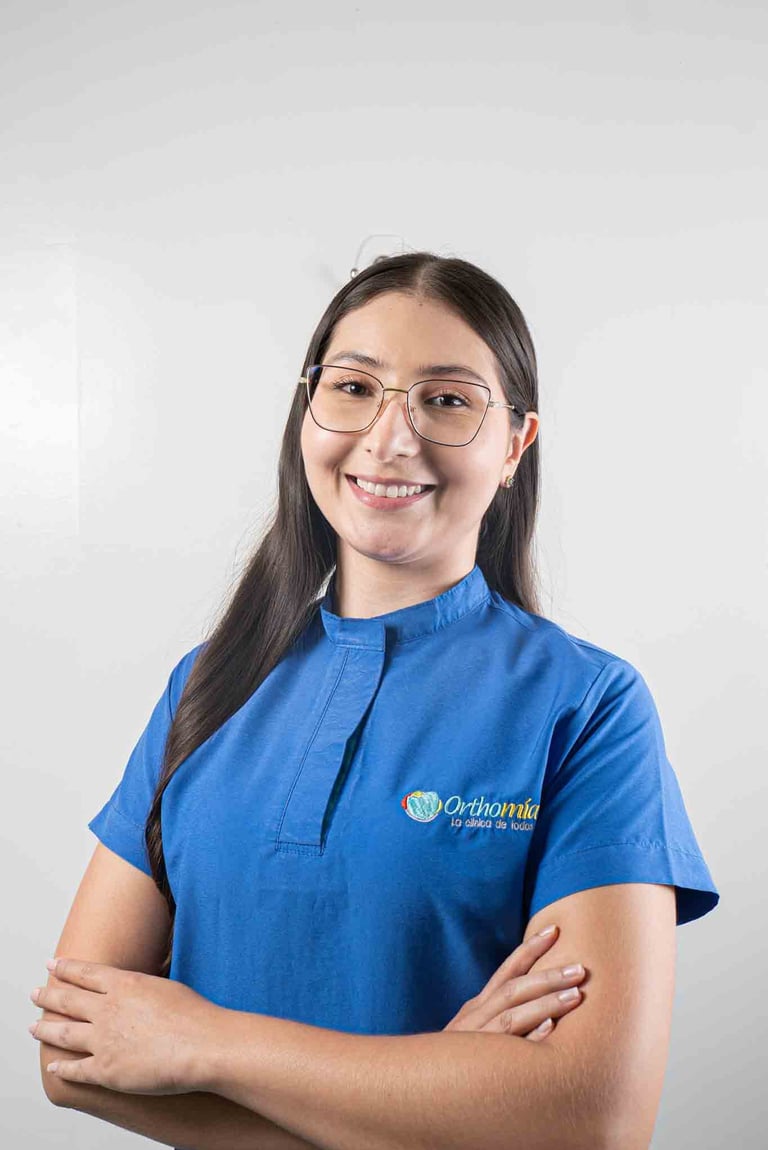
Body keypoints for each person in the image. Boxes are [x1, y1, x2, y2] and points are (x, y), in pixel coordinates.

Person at [32, 251, 719, 1149]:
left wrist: (204, 1042)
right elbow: (72, 1051)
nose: (390, 439)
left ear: (515, 445)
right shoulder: (206, 686)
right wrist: (437, 1092)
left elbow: (593, 1117)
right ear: (307, 411)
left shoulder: (587, 706)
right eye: (354, 388)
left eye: (447, 400)